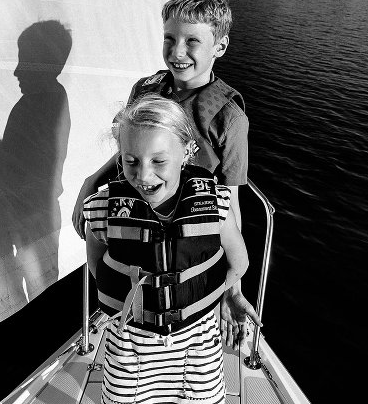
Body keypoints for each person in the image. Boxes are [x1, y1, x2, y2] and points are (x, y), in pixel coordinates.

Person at [83, 95, 260, 404]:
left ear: (186, 153)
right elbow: (98, 266)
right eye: (131, 161)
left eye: (158, 161)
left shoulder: (215, 205)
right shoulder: (101, 210)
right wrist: (138, 300)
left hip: (197, 350)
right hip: (130, 351)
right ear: (120, 157)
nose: (144, 175)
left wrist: (201, 294)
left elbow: (239, 263)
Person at [73, 0, 248, 237]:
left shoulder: (229, 119)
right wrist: (92, 181)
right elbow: (130, 155)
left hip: (188, 229)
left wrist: (234, 261)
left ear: (219, 47)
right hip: (136, 216)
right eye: (170, 38)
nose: (177, 52)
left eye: (192, 41)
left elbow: (231, 200)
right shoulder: (145, 91)